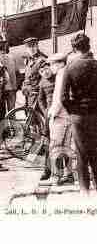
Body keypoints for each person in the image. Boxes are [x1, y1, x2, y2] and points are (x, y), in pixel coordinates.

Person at [61, 33, 97, 194]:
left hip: (78, 117)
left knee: (81, 153)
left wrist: (72, 111)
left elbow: (63, 97)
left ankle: (84, 191)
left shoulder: (70, 67)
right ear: (88, 47)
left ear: (75, 49)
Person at [47, 53, 74, 186]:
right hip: (68, 116)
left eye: (52, 64)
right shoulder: (68, 72)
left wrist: (53, 114)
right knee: (66, 147)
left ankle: (55, 176)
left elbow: (59, 98)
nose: (51, 67)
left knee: (56, 147)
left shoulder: (61, 75)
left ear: (59, 64)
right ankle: (68, 175)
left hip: (60, 116)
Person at [37, 62, 56, 181]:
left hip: (61, 113)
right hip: (49, 115)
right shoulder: (42, 83)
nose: (46, 72)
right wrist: (45, 111)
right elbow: (40, 99)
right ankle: (47, 170)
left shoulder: (58, 79)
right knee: (48, 143)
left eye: (47, 69)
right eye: (42, 71)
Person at [21, 37, 47, 107]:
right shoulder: (27, 59)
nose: (31, 49)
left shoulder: (42, 60)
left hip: (36, 91)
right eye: (29, 47)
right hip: (28, 91)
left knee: (36, 113)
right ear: (26, 49)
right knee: (28, 112)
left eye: (33, 46)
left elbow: (45, 77)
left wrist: (38, 88)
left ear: (37, 46)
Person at [0, 40, 19, 112]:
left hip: (2, 88)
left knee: (2, 111)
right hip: (11, 88)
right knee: (12, 111)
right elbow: (17, 72)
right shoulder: (12, 58)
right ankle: (12, 123)